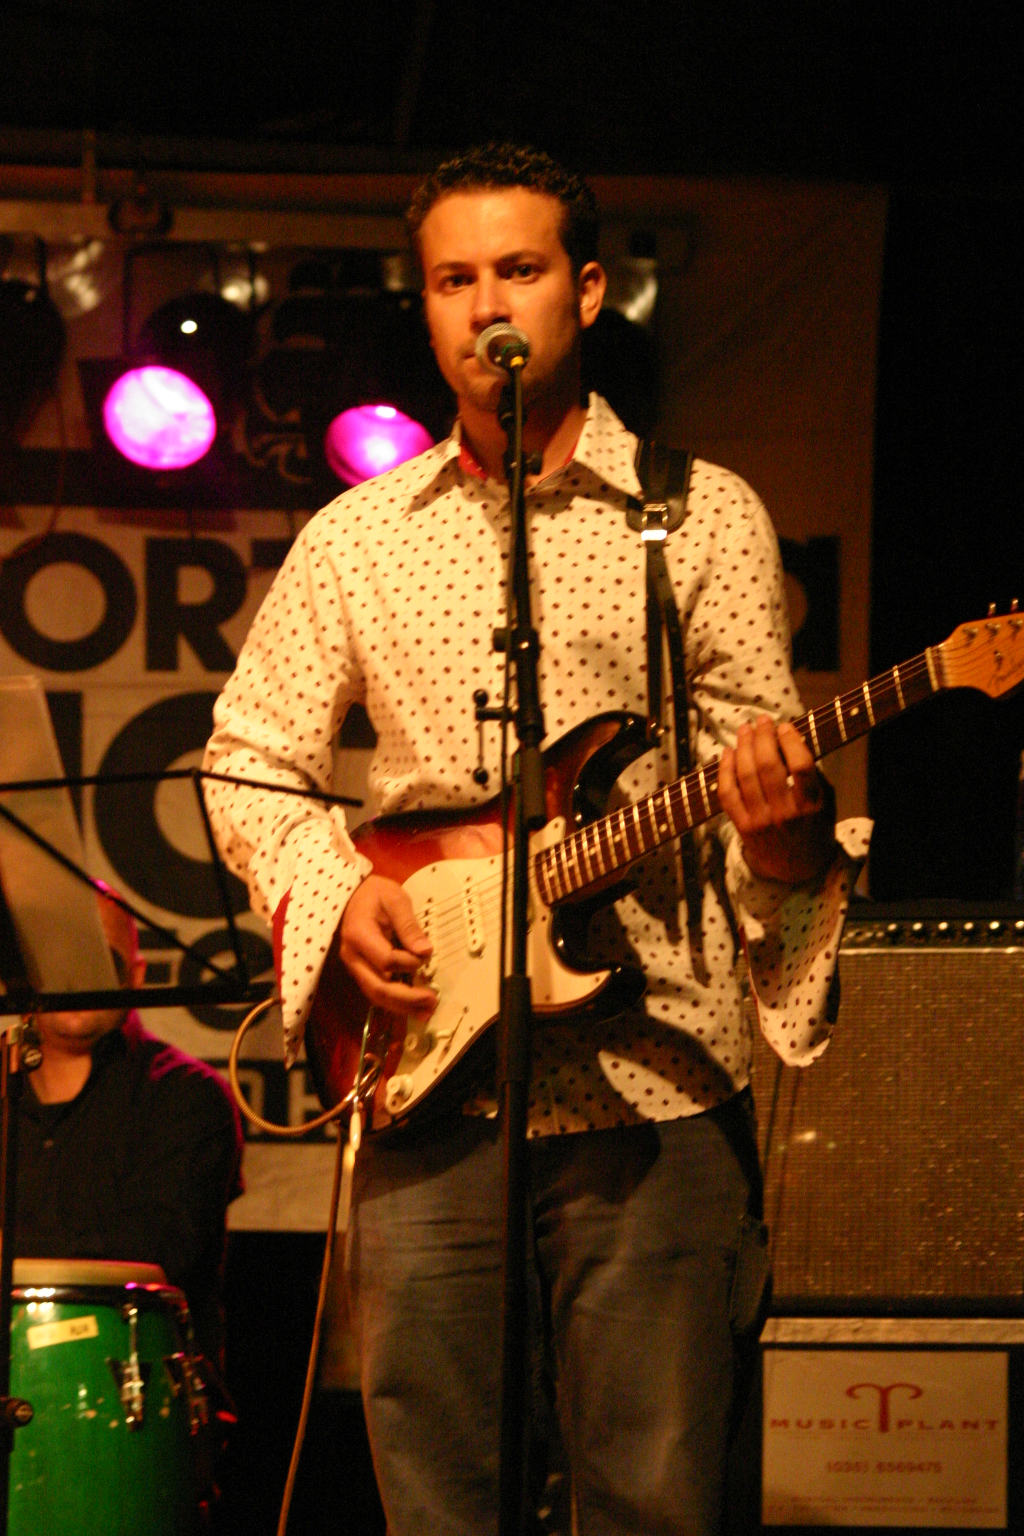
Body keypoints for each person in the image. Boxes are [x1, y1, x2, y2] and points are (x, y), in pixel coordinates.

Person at [203, 143, 869, 1535]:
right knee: (441, 1502)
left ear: (588, 289)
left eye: (516, 270)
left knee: (653, 1502)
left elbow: (763, 811)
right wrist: (339, 896)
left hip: (655, 1086)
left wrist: (787, 843)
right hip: (431, 1090)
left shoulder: (697, 515)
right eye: (454, 280)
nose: (486, 306)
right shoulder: (358, 537)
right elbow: (251, 759)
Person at [15, 884, 244, 1367]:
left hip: (134, 1382)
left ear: (136, 976)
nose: (78, 977)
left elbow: (151, 1255)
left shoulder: (187, 1095)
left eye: (101, 959)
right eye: (59, 956)